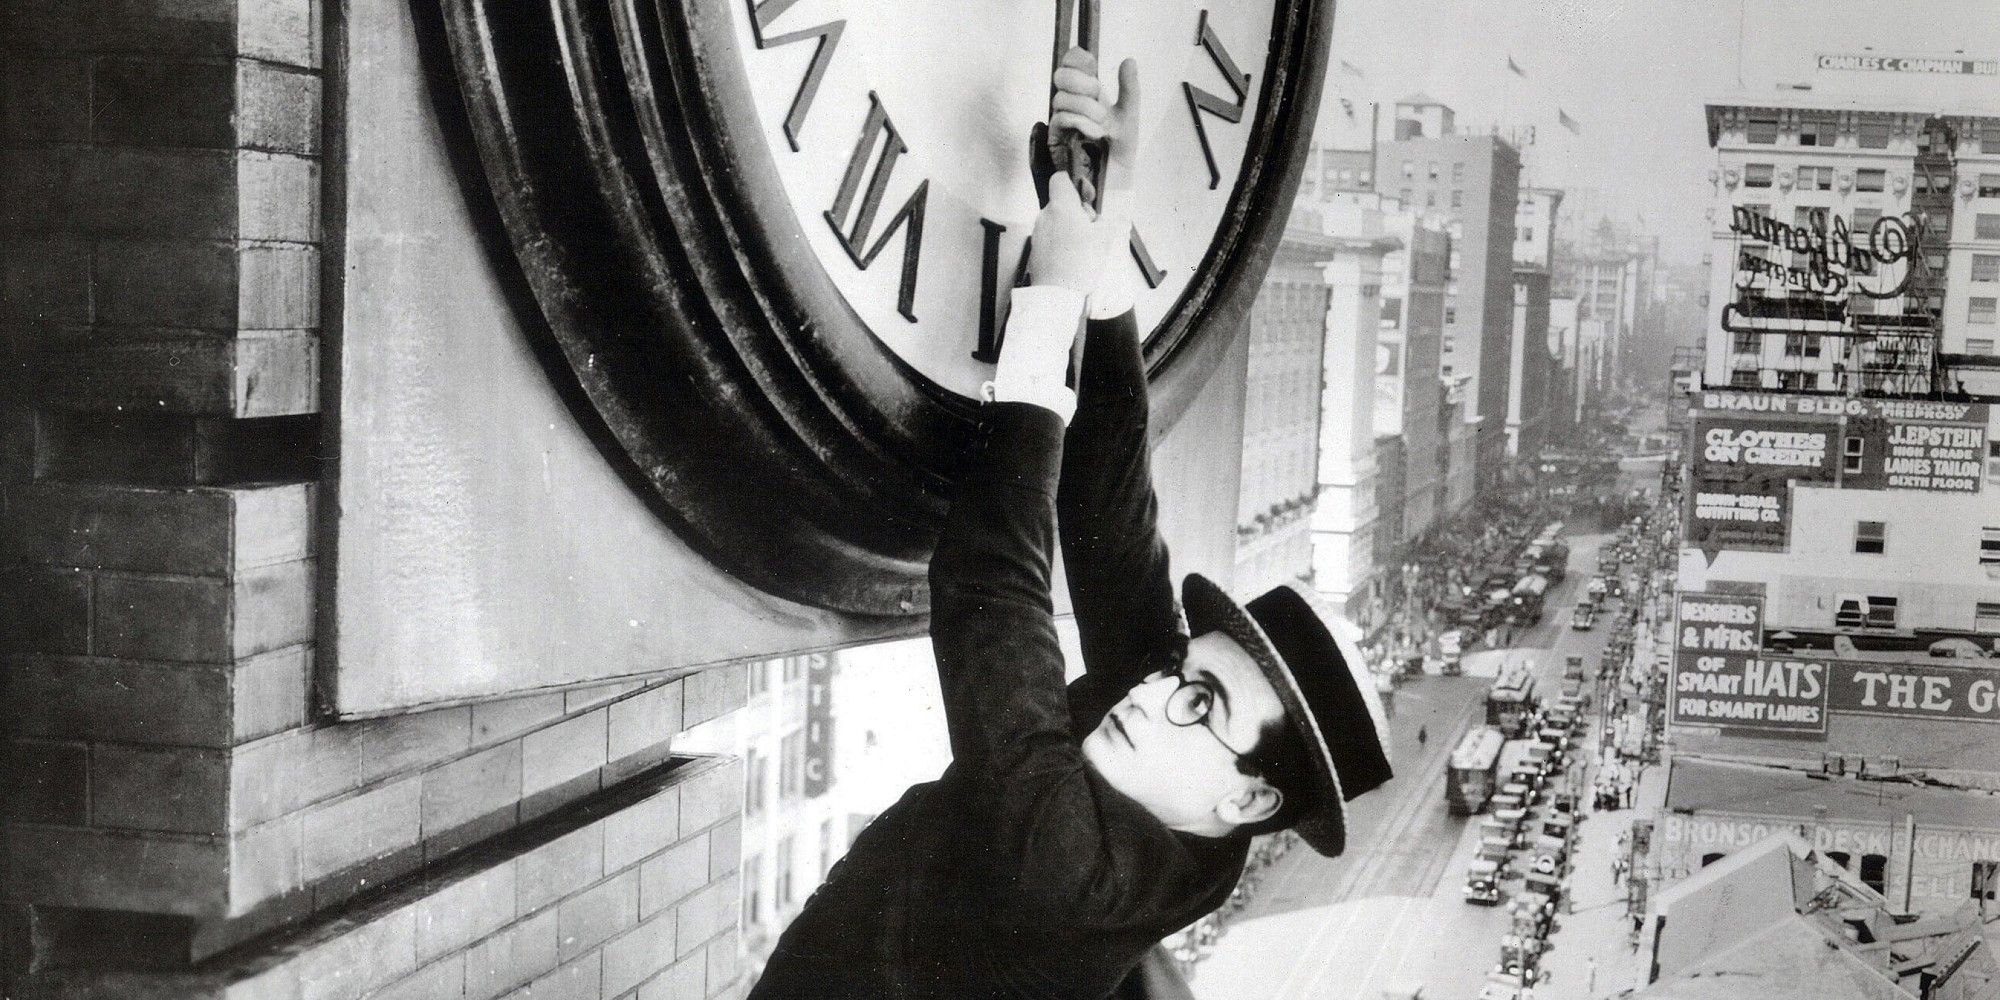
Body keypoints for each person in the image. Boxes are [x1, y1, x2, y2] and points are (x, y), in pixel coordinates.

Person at [746, 50, 1395, 1000]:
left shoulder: (1076, 876)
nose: (1154, 689)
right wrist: (1106, 246)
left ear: (1252, 797)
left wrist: (1047, 308)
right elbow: (1113, 523)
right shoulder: (1184, 810)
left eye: (1202, 701)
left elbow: (989, 590)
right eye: (1186, 670)